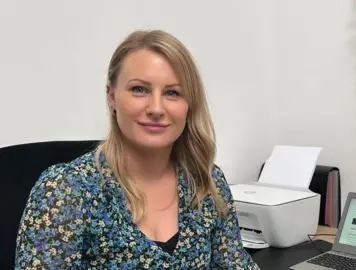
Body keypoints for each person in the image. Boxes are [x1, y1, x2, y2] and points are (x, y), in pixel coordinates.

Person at [15, 29, 260, 269]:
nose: (156, 108)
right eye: (139, 89)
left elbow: (235, 264)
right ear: (111, 96)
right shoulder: (65, 190)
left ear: (189, 105)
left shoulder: (206, 182)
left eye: (172, 93)